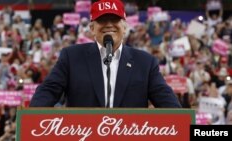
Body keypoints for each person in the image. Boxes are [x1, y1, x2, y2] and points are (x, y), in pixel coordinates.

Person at [29, 0, 181, 108]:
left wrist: (184, 126)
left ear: (125, 25)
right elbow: (48, 91)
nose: (109, 24)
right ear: (92, 28)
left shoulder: (146, 62)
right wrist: (32, 120)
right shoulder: (71, 57)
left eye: (114, 19)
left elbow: (168, 103)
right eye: (102, 20)